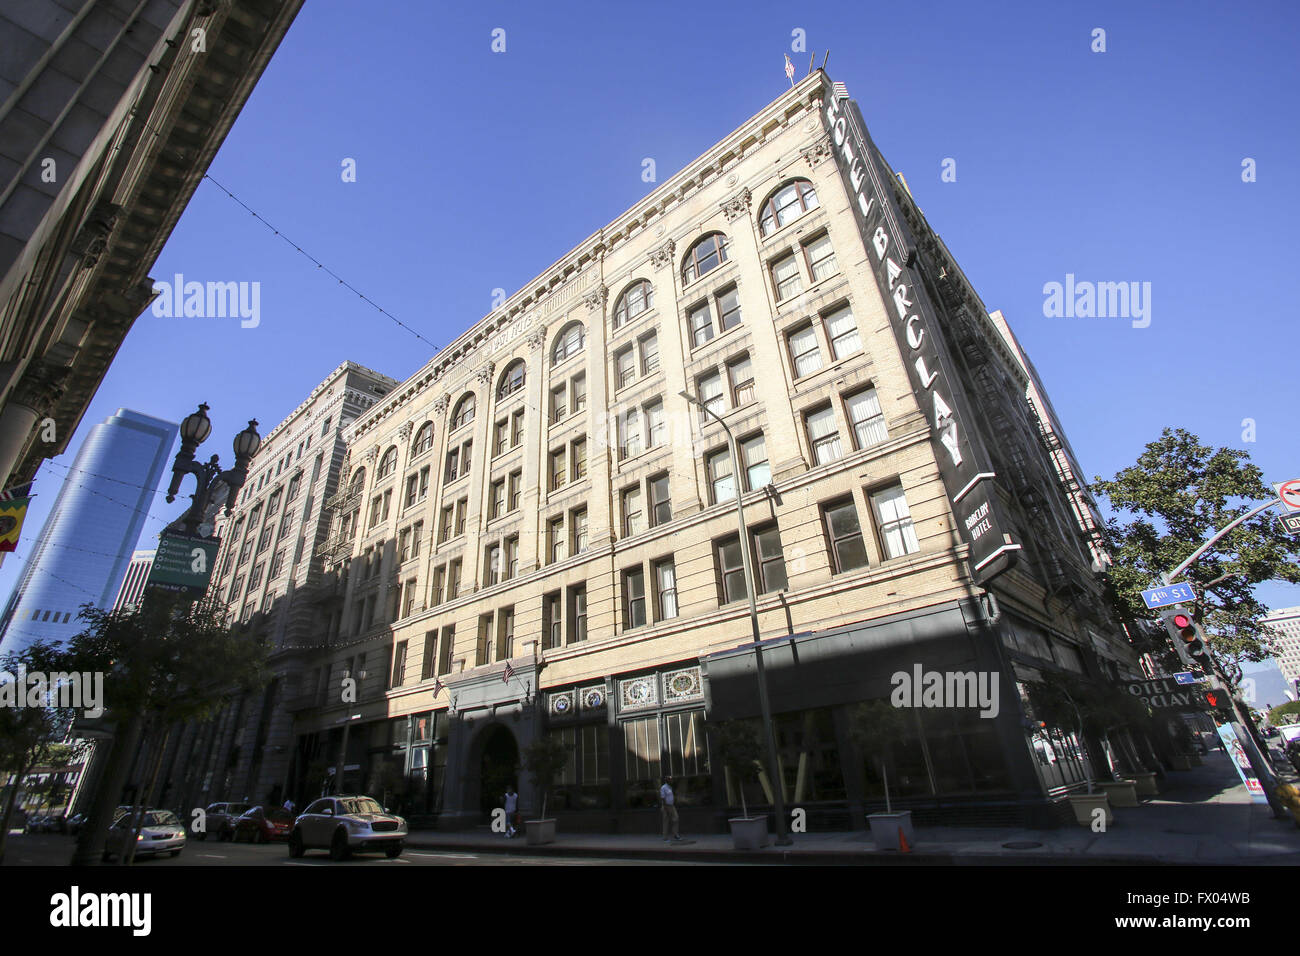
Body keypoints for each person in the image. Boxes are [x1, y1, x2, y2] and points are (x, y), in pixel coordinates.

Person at [659, 775, 682, 842]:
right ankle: (665, 838)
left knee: (676, 818)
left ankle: (675, 834)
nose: (671, 780)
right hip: (666, 806)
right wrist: (665, 807)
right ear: (667, 780)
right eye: (670, 779)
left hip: (672, 806)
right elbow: (663, 798)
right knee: (666, 821)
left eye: (672, 779)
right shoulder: (663, 787)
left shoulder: (670, 787)